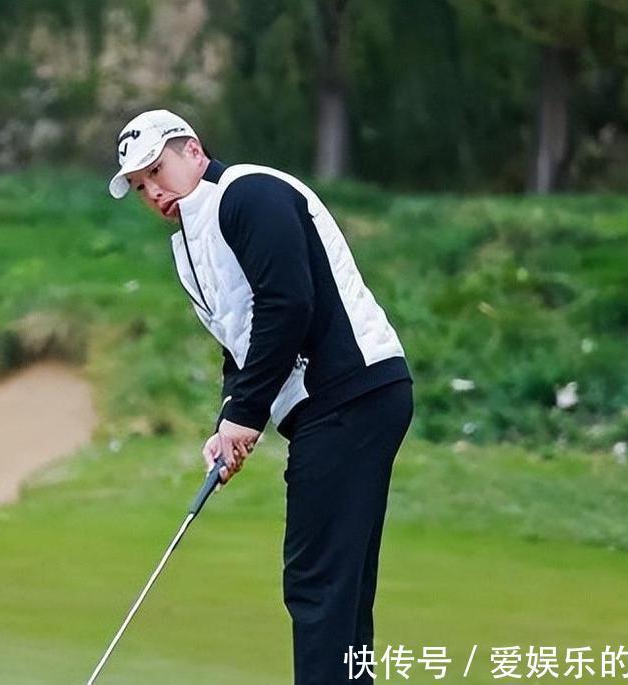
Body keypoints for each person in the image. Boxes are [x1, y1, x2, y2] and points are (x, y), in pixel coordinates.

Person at [107, 109, 414, 685]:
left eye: (156, 171)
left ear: (192, 150)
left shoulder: (248, 194)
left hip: (349, 391)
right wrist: (230, 418)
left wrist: (248, 415)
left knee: (316, 581)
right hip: (339, 403)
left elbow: (287, 304)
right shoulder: (192, 243)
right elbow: (242, 339)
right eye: (141, 186)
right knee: (339, 586)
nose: (153, 192)